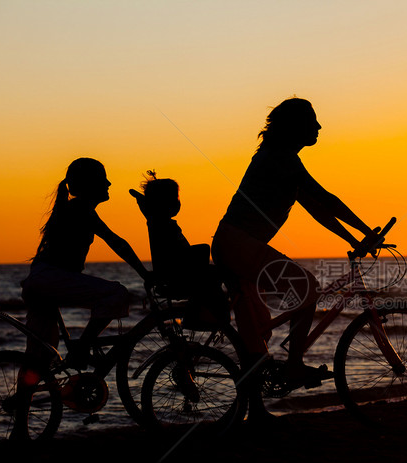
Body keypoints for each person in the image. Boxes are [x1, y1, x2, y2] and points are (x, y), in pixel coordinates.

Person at [211, 97, 377, 419]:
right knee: (307, 288)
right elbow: (325, 197)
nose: (318, 126)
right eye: (312, 120)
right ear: (294, 126)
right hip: (239, 243)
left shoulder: (281, 159)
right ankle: (295, 365)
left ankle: (256, 411)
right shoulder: (281, 158)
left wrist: (354, 238)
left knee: (256, 332)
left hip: (234, 244)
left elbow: (316, 208)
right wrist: (366, 229)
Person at [20, 157, 151, 370]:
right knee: (117, 294)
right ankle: (82, 348)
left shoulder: (77, 209)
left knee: (39, 358)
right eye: (103, 179)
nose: (109, 184)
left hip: (41, 280)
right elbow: (116, 242)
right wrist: (145, 274)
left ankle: (21, 401)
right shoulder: (81, 209)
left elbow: (115, 242)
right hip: (50, 279)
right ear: (90, 185)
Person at [130, 171, 228, 326]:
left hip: (175, 272)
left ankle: (205, 311)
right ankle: (207, 316)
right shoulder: (161, 224)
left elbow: (147, 210)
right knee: (211, 263)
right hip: (178, 274)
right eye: (174, 199)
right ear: (163, 203)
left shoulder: (157, 222)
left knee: (213, 270)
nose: (178, 203)